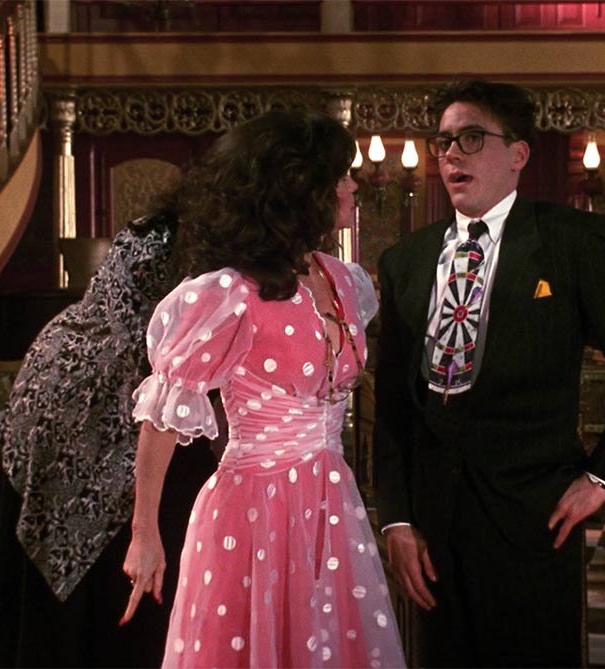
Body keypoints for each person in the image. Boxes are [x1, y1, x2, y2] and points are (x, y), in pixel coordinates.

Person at [373, 79, 605, 667]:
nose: (452, 154)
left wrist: (602, 478)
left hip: (533, 522)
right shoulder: (406, 261)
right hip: (431, 533)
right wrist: (395, 518)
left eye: (472, 138)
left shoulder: (570, 242)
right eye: (444, 141)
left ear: (518, 154)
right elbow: (393, 404)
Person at [122, 110, 406, 668]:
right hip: (251, 511)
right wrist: (144, 532)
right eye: (340, 177)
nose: (352, 186)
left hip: (330, 503)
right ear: (302, 191)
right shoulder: (229, 293)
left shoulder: (345, 280)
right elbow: (161, 418)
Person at [0, 207, 219, 668]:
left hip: (105, 399)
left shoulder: (213, 239)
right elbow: (161, 366)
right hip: (79, 406)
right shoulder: (163, 245)